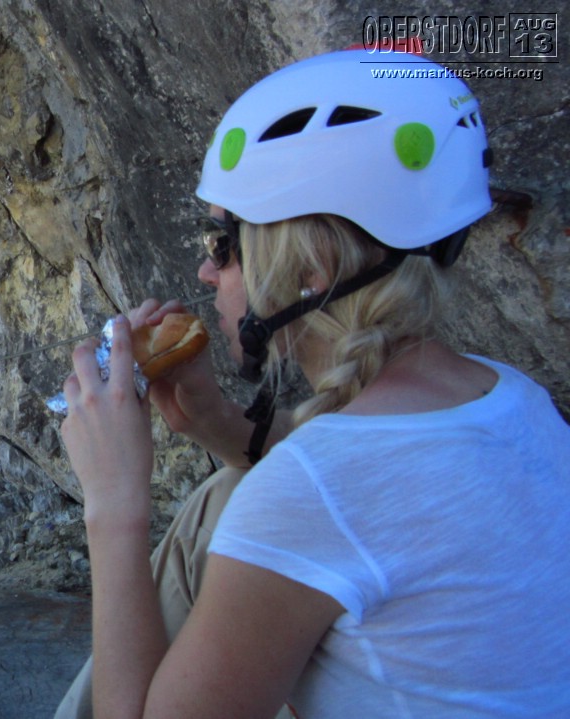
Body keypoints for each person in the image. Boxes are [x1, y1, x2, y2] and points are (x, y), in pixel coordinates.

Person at [54, 49, 570, 718]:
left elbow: (327, 500)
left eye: (222, 244)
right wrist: (216, 422)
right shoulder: (513, 396)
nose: (206, 272)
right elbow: (358, 502)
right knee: (224, 494)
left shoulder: (309, 491)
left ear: (311, 269)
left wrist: (114, 502)